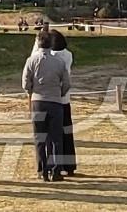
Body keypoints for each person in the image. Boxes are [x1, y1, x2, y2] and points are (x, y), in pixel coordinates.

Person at [22, 30, 70, 182]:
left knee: (40, 137)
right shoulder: (60, 62)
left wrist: (31, 92)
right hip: (55, 102)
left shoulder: (31, 60)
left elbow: (25, 82)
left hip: (38, 102)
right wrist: (59, 93)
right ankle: (56, 171)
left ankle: (42, 170)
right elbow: (67, 83)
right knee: (56, 138)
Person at [48, 30, 77, 175]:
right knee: (67, 132)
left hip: (52, 98)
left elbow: (35, 55)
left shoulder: (52, 57)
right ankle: (69, 165)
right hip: (65, 99)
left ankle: (54, 164)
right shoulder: (68, 55)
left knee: (53, 135)